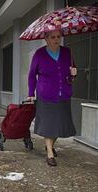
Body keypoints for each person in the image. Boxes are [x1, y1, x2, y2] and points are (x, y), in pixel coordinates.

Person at [27, 30, 77, 166]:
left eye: (58, 37)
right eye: (53, 37)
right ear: (46, 39)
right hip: (46, 94)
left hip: (63, 94)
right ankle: (49, 153)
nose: (56, 39)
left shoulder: (68, 52)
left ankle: (50, 146)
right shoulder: (39, 54)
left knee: (59, 124)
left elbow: (71, 76)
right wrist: (31, 92)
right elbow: (32, 75)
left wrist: (73, 74)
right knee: (49, 124)